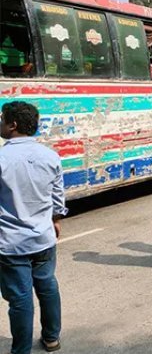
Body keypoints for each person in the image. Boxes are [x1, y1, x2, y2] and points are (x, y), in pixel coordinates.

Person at [0, 102, 66, 354]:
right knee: (47, 285)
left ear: (12, 124)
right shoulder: (50, 156)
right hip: (44, 237)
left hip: (11, 242)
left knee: (20, 298)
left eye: (1, 118)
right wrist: (56, 220)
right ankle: (51, 338)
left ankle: (21, 350)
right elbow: (57, 197)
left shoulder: (2, 158)